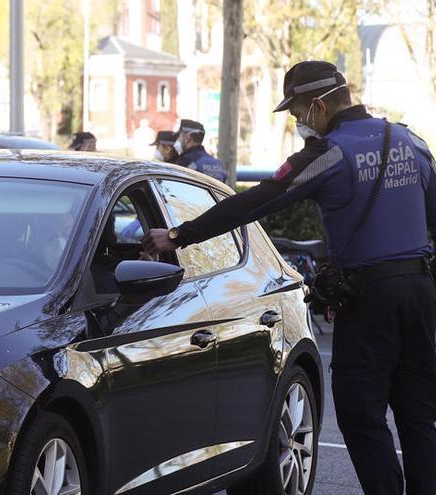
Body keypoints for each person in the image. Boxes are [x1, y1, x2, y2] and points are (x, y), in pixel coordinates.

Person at [142, 60, 436, 494]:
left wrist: (179, 235)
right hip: (420, 293)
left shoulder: (328, 154)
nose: (299, 121)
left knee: (358, 412)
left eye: (298, 111)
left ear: (318, 105)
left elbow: (256, 202)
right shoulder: (410, 140)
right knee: (419, 414)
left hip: (369, 297)